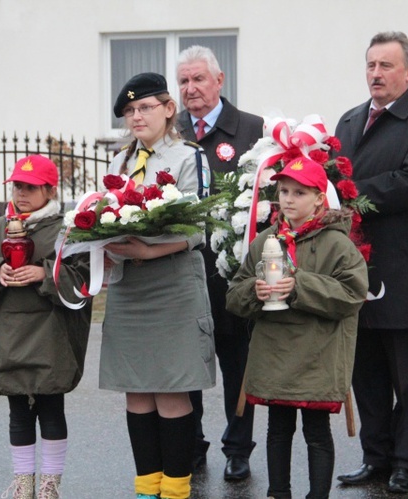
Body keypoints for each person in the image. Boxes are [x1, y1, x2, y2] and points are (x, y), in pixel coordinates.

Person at [333, 32, 408, 494]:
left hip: (403, 269)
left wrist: (351, 199)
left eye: (386, 65)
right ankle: (375, 457)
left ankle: (406, 462)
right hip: (353, 270)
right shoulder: (349, 120)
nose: (376, 74)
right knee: (366, 372)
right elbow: (329, 176)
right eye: (370, 65)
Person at [101, 72, 216, 499]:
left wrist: (150, 251)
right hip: (130, 286)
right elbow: (105, 215)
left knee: (170, 390)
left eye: (145, 107)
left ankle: (176, 490)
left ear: (169, 109)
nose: (136, 117)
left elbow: (199, 225)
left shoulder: (189, 156)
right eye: (129, 111)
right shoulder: (119, 163)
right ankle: (147, 489)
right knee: (137, 391)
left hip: (172, 285)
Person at [225, 157, 368, 499]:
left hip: (316, 353)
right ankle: (279, 493)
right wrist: (253, 292)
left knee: (316, 432)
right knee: (278, 429)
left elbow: (353, 294)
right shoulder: (266, 241)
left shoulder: (337, 244)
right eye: (283, 191)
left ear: (320, 197)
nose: (288, 199)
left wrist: (299, 285)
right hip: (275, 351)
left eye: (299, 193)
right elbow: (235, 293)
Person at [0, 155, 92, 499]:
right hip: (10, 334)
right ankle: (23, 483)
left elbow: (85, 280)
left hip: (52, 334)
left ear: (50, 190)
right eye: (17, 186)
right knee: (18, 410)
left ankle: (50, 485)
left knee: (51, 409)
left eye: (31, 188)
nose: (21, 193)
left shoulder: (68, 229)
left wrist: (44, 273)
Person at [175, 44, 264, 480]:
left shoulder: (250, 128)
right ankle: (190, 444)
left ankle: (238, 447)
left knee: (236, 362)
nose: (191, 89)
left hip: (232, 274)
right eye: (184, 82)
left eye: (199, 79)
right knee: (187, 364)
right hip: (181, 271)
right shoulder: (168, 130)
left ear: (219, 80)